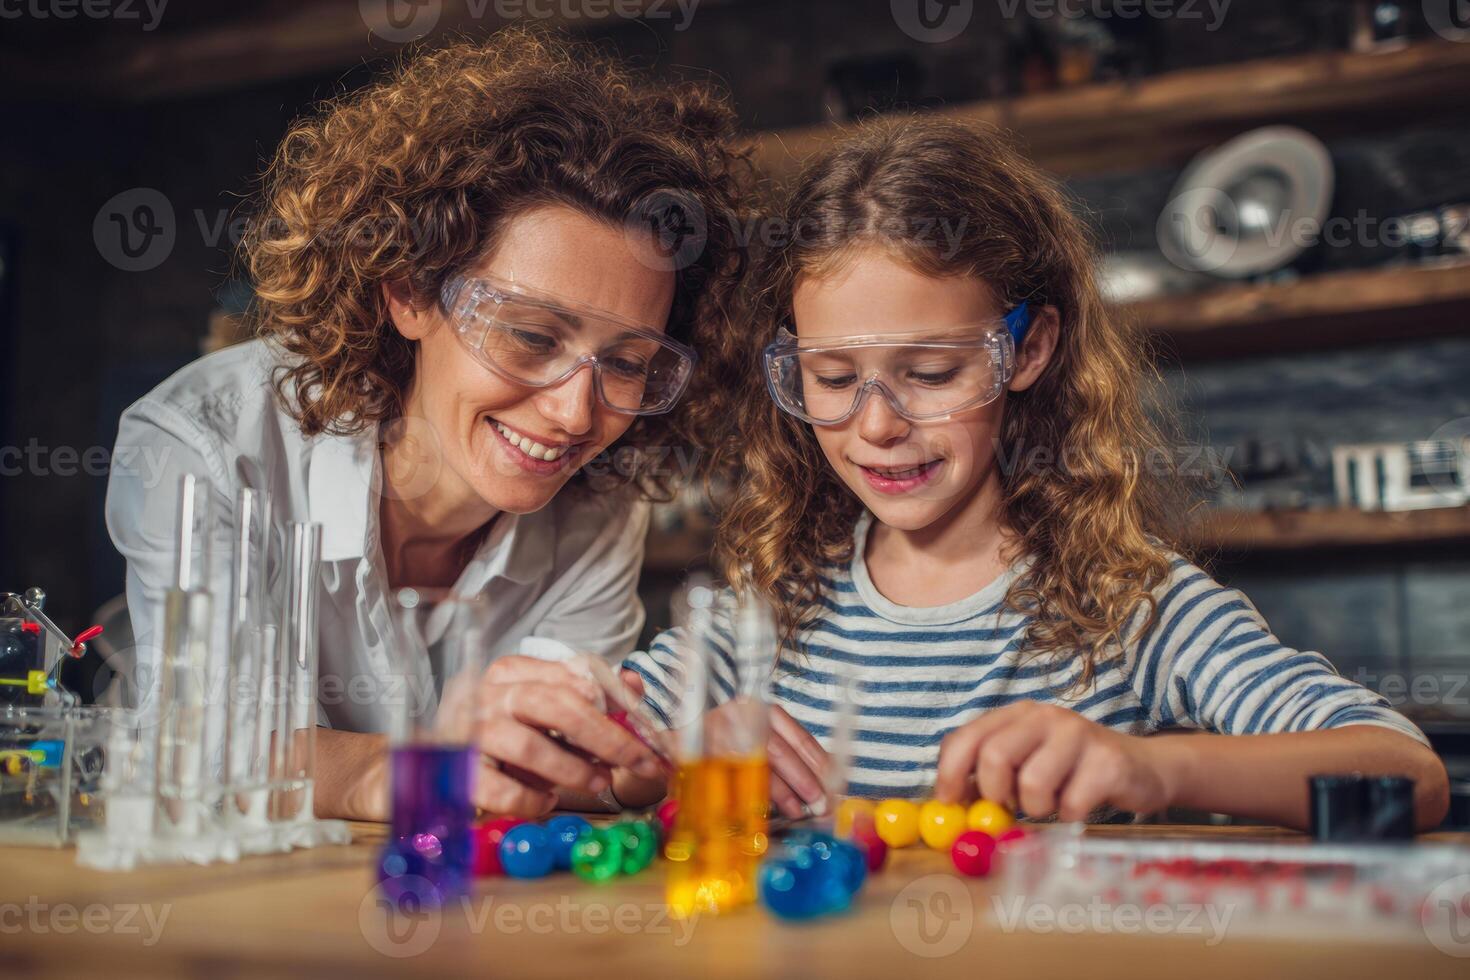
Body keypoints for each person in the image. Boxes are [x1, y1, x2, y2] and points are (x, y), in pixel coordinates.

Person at [619, 119, 1449, 829]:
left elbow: (1409, 779)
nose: (876, 425)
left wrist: (1152, 769)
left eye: (933, 373)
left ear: (1031, 348)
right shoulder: (768, 603)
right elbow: (596, 745)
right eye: (832, 378)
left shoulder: (1126, 606)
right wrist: (681, 753)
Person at [105, 31, 747, 820]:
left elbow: (548, 773)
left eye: (626, 361)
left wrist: (643, 758)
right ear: (408, 291)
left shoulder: (599, 505)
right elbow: (203, 749)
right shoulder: (207, 448)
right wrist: (422, 771)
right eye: (532, 337)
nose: (577, 414)